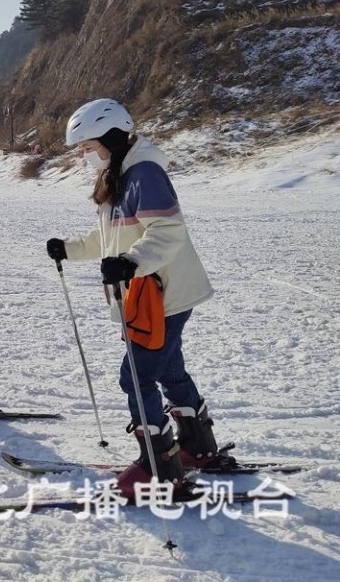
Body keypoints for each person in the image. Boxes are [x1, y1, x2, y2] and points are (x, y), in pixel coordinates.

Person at [46, 98, 220, 498]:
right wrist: (69, 249)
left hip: (160, 296)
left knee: (136, 376)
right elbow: (110, 240)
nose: (87, 157)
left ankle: (160, 466)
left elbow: (167, 233)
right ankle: (196, 447)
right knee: (169, 372)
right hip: (153, 296)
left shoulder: (144, 173)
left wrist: (130, 263)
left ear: (109, 136)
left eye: (89, 147)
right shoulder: (120, 174)